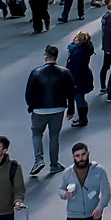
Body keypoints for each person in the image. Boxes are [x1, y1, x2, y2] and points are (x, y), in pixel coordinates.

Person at [26, 45, 75, 175]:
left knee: (37, 133)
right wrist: (71, 109)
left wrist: (32, 106)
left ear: (45, 56)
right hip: (58, 108)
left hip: (39, 109)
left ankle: (39, 159)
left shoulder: (36, 72)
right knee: (54, 136)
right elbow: (70, 92)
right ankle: (54, 164)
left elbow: (29, 92)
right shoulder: (65, 72)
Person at [59, 141, 108, 220]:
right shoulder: (68, 173)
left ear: (88, 154)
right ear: (73, 157)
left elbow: (106, 191)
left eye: (83, 154)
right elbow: (60, 189)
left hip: (93, 217)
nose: (81, 158)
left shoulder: (99, 171)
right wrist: (65, 194)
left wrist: (100, 207)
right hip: (73, 217)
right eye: (77, 156)